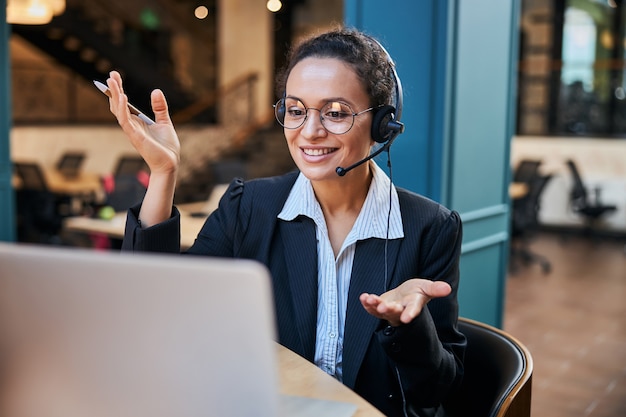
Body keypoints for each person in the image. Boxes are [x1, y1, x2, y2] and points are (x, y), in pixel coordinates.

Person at [105, 27, 465, 417]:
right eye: (295, 110)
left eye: (336, 113)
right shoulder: (248, 207)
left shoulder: (430, 227)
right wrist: (164, 172)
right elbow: (159, 308)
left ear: (382, 124)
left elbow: (438, 389)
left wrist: (409, 328)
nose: (310, 131)